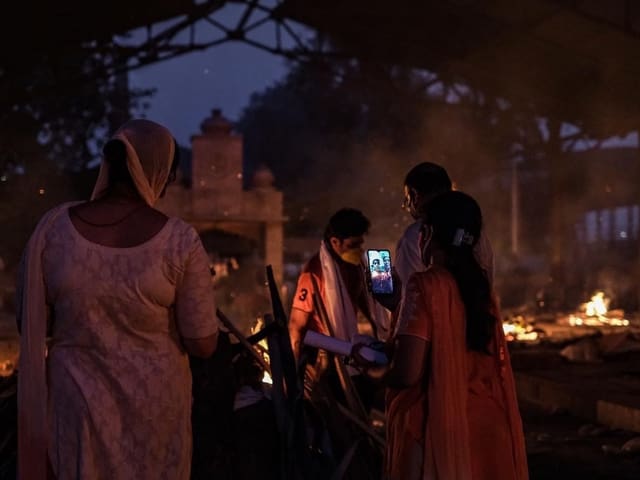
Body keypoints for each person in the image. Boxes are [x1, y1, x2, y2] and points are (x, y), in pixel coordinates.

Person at [16, 119, 219, 480]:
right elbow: (202, 343)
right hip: (154, 412)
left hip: (77, 407)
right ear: (160, 174)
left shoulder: (54, 229)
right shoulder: (179, 241)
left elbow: (29, 322)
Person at [355, 191, 528, 480]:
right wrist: (400, 306)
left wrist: (372, 370)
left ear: (428, 234)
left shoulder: (424, 286)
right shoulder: (481, 290)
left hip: (438, 430)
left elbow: (407, 373)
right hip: (488, 426)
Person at [288, 208, 389, 407]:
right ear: (335, 242)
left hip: (354, 353)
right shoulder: (314, 273)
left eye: (361, 243)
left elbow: (366, 303)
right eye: (353, 245)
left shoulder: (356, 265)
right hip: (326, 360)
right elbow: (296, 327)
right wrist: (291, 377)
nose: (359, 249)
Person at [396, 162, 494, 289]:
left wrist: (392, 302)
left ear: (414, 196)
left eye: (407, 201)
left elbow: (409, 297)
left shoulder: (416, 234)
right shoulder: (475, 232)